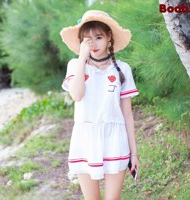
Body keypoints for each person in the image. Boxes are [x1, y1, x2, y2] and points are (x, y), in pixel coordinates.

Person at [60, 10, 139, 200]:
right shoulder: (76, 65)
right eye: (87, 39)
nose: (93, 43)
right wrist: (82, 57)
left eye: (98, 37)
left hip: (115, 139)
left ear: (109, 37)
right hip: (85, 139)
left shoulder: (122, 69)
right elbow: (77, 95)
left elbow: (127, 114)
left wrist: (134, 154)